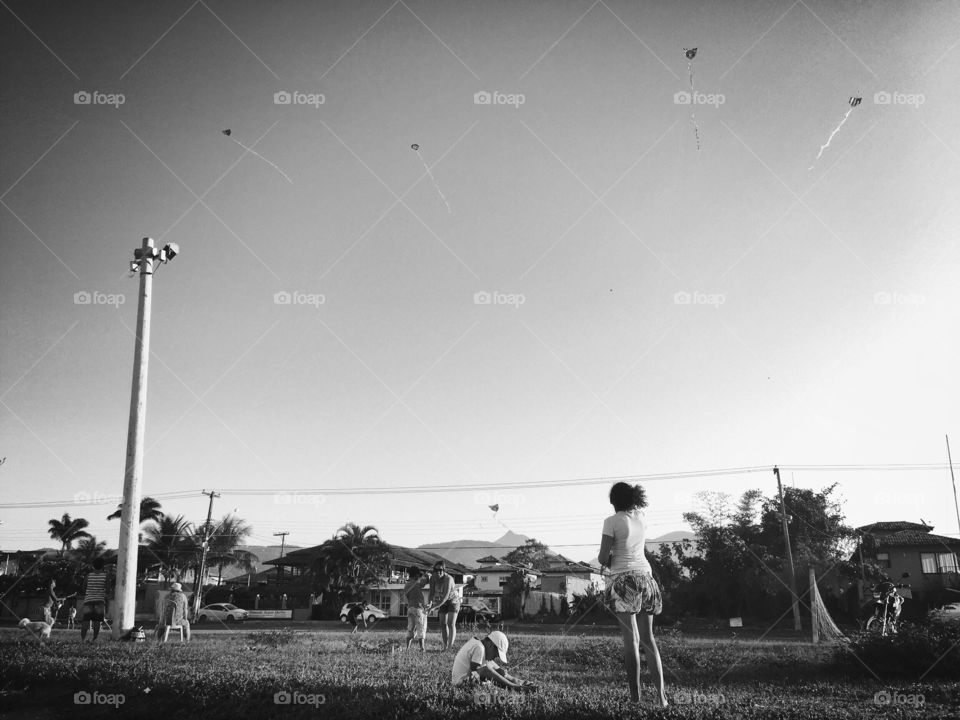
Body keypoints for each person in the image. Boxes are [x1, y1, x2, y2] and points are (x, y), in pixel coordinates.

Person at [598, 482, 668, 707]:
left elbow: (602, 557)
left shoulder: (612, 521)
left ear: (614, 502)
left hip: (625, 580)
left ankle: (636, 700)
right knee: (649, 640)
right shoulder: (641, 517)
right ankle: (661, 699)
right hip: (646, 579)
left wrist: (608, 563)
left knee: (631, 642)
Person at [451, 630, 535, 691]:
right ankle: (514, 687)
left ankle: (515, 681)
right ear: (490, 644)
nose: (495, 657)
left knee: (490, 663)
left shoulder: (478, 644)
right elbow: (478, 671)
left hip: (463, 683)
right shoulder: (479, 648)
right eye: (496, 653)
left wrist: (501, 673)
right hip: (461, 685)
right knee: (486, 668)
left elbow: (487, 664)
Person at [429, 561, 460, 650]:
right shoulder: (433, 578)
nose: (438, 571)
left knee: (450, 623)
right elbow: (431, 593)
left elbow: (445, 597)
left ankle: (450, 647)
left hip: (453, 601)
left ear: (444, 570)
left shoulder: (448, 579)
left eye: (440, 570)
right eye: (436, 570)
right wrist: (429, 603)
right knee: (442, 624)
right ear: (433, 570)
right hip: (441, 601)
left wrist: (433, 607)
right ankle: (445, 646)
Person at [80, 558, 110, 642]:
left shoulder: (88, 576)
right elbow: (108, 590)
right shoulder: (106, 576)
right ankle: (94, 638)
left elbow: (83, 588)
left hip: (88, 601)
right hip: (100, 601)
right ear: (103, 566)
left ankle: (83, 639)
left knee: (85, 620)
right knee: (97, 621)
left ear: (93, 566)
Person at [404, 567, 429, 651]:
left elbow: (407, 596)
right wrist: (425, 574)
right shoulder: (418, 583)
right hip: (419, 609)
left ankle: (407, 647)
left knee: (410, 628)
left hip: (410, 608)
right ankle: (422, 648)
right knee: (421, 627)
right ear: (417, 575)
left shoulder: (406, 585)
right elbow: (427, 580)